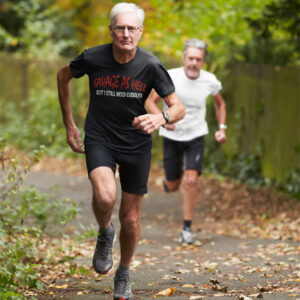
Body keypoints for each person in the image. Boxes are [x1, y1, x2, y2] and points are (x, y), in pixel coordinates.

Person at [57, 3, 185, 299]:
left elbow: (178, 107)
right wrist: (70, 125)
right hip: (100, 137)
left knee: (130, 218)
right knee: (105, 195)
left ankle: (124, 272)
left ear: (140, 32)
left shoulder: (151, 66)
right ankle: (104, 231)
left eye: (131, 28)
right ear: (111, 30)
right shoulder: (93, 57)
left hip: (136, 144)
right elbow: (62, 77)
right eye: (120, 28)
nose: (125, 33)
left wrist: (161, 117)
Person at [145, 38, 227, 245]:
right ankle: (169, 182)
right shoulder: (170, 76)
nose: (193, 63)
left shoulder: (210, 80)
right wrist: (163, 120)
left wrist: (221, 128)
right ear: (184, 58)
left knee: (191, 180)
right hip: (172, 136)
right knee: (174, 185)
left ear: (203, 61)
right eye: (190, 58)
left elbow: (220, 105)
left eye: (198, 59)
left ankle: (187, 228)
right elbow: (149, 102)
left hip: (196, 135)